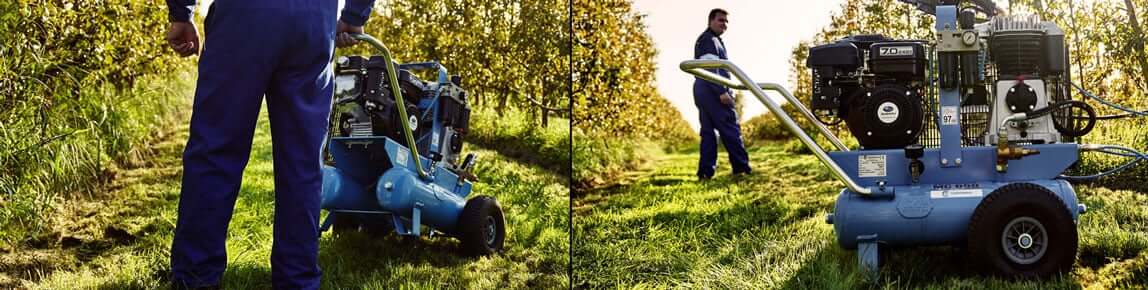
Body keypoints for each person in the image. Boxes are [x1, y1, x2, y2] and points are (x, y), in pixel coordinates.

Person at [163, 0, 374, 288]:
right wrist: (354, 15)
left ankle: (196, 277)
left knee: (216, 150)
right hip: (312, 21)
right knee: (303, 163)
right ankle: (297, 279)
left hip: (244, 15)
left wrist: (180, 13)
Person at [693, 8, 751, 180]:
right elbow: (710, 67)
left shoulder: (714, 40)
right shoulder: (709, 40)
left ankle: (705, 172)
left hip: (703, 90)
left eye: (726, 21)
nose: (724, 24)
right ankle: (741, 168)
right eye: (721, 20)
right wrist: (722, 91)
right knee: (729, 127)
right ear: (710, 21)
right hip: (712, 91)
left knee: (708, 133)